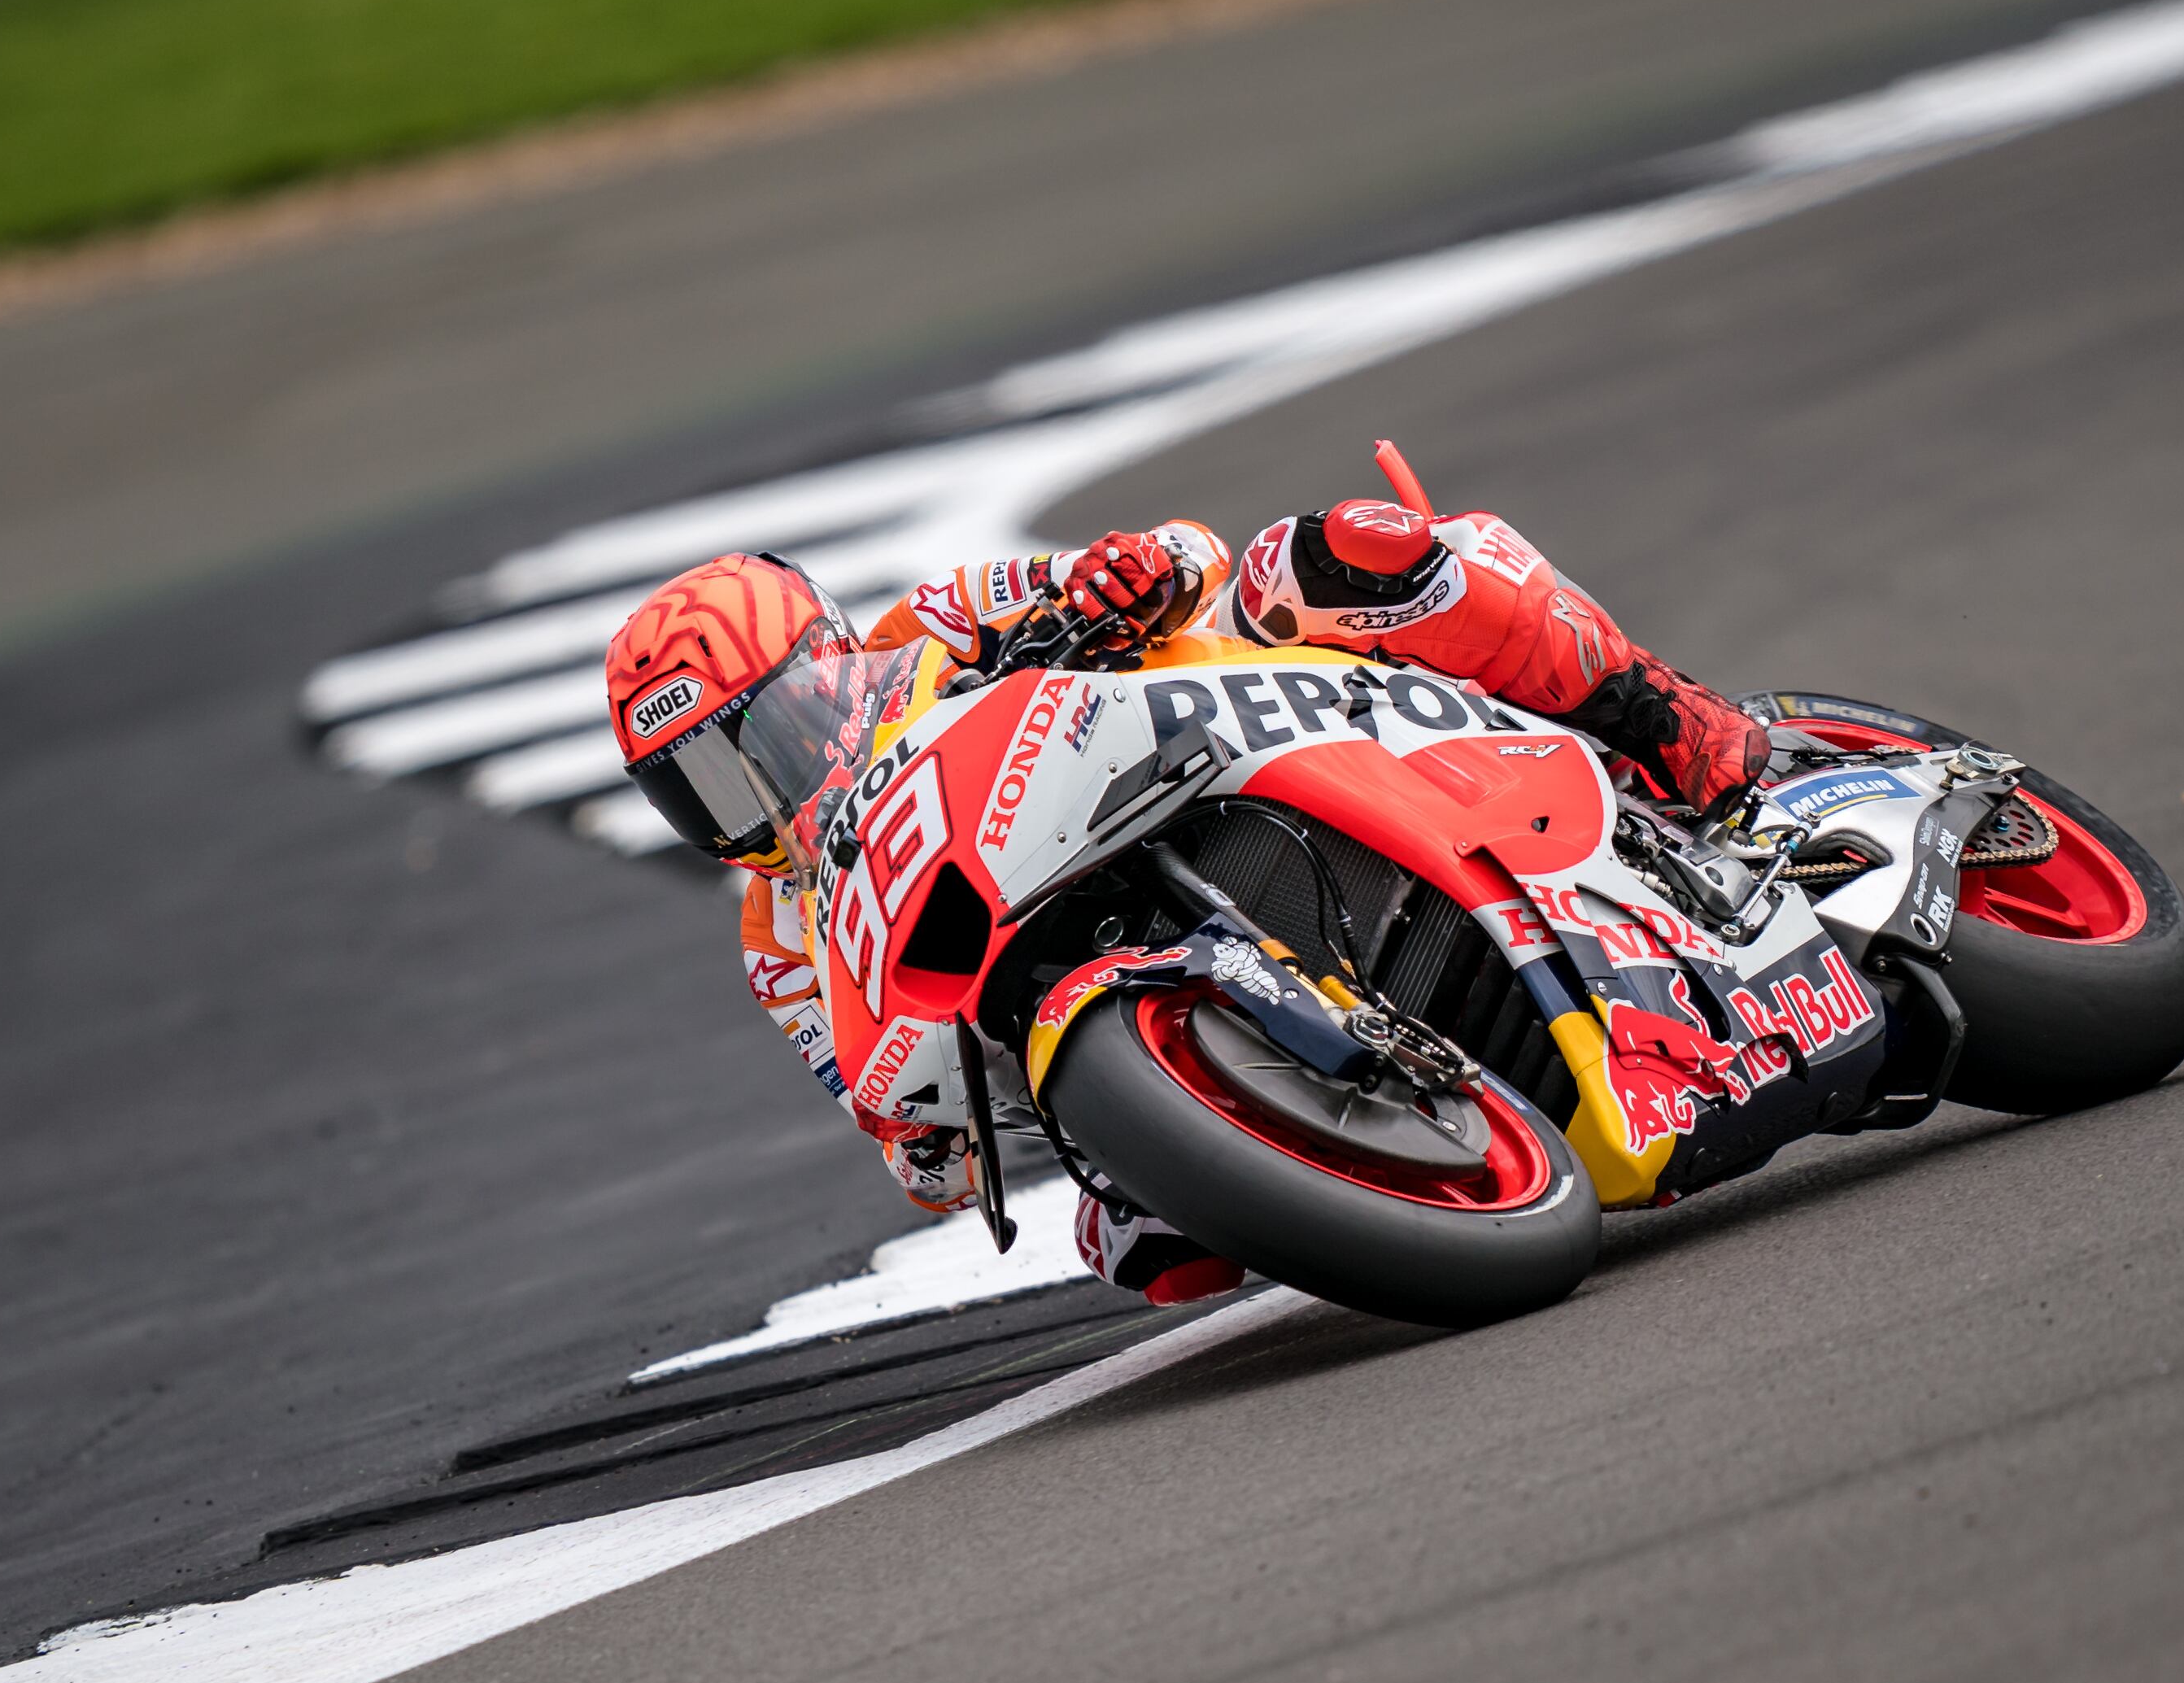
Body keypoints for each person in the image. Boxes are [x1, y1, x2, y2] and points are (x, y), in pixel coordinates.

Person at [599, 500, 1772, 1298]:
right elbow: (923, 1158)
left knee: (1330, 554)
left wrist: (1132, 573)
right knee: (1149, 1252)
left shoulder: (935, 628)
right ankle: (1348, 1100)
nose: (748, 801)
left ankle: (1662, 716)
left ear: (830, 658)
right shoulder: (780, 942)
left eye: (758, 742)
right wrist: (925, 1134)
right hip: (1083, 973)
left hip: (1206, 752)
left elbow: (1181, 554)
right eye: (699, 789)